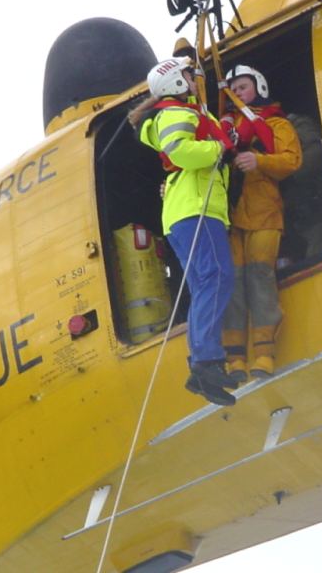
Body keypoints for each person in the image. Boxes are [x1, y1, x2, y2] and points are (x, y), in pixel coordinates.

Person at [128, 57, 238, 407]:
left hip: (185, 212)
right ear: (176, 81)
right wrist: (218, 146)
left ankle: (204, 367)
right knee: (216, 277)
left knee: (204, 283)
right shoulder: (178, 113)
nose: (194, 81)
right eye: (190, 76)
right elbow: (181, 150)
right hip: (195, 209)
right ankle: (206, 361)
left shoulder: (177, 113)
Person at [220, 65, 303, 381]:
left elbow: (292, 160)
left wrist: (259, 161)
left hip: (264, 213)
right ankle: (236, 359)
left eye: (243, 86)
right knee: (232, 284)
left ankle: (265, 353)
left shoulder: (274, 124)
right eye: (234, 88)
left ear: (259, 86)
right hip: (230, 217)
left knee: (259, 277)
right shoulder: (223, 131)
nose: (238, 92)